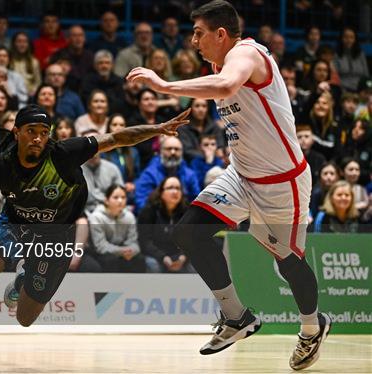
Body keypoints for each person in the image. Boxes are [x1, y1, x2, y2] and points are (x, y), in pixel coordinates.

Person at [126, 1, 330, 369]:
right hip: (240, 174)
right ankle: (236, 316)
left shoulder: (248, 54)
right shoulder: (217, 64)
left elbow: (226, 85)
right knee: (188, 232)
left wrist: (164, 84)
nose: (193, 41)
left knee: (288, 262)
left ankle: (312, 327)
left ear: (221, 34)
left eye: (198, 33)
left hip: (282, 182)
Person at [0, 104, 190, 371]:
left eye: (44, 132)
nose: (38, 137)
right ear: (16, 132)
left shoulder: (64, 153)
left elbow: (116, 138)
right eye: (31, 130)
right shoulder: (0, 165)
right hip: (14, 224)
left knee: (25, 317)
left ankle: (23, 280)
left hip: (57, 235)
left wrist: (158, 128)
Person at [137, 176, 191, 273]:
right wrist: (163, 257)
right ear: (161, 193)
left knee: (195, 265)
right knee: (153, 265)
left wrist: (183, 256)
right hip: (156, 255)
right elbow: (145, 242)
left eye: (178, 188)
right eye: (170, 188)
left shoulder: (187, 212)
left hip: (179, 256)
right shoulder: (149, 211)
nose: (175, 191)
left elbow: (192, 240)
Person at [89, 184, 145, 273]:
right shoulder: (96, 217)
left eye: (123, 197)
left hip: (123, 252)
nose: (120, 201)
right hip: (102, 254)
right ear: (106, 200)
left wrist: (130, 251)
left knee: (139, 259)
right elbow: (100, 246)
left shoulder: (130, 217)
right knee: (110, 260)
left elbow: (134, 243)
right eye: (115, 197)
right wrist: (121, 251)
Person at [134, 136, 200, 210]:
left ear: (182, 152)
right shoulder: (149, 174)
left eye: (177, 149)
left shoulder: (190, 175)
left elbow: (196, 202)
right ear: (161, 151)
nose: (173, 152)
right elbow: (141, 202)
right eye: (169, 149)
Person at [79, 49, 125, 114]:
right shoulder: (87, 81)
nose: (104, 66)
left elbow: (120, 103)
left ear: (112, 66)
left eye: (107, 63)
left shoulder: (119, 81)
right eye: (101, 63)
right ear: (95, 66)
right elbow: (87, 101)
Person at [334, 27, 369, 93]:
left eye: (351, 37)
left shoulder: (361, 54)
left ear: (355, 39)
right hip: (343, 90)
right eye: (346, 37)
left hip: (360, 90)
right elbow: (335, 77)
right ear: (341, 39)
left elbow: (366, 75)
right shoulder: (336, 55)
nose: (348, 40)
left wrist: (364, 90)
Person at [9, 32, 41, 97]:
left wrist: (34, 91)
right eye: (19, 41)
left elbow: (38, 82)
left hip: (30, 96)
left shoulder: (34, 62)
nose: (22, 44)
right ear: (14, 43)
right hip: (12, 95)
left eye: (25, 41)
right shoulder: (8, 60)